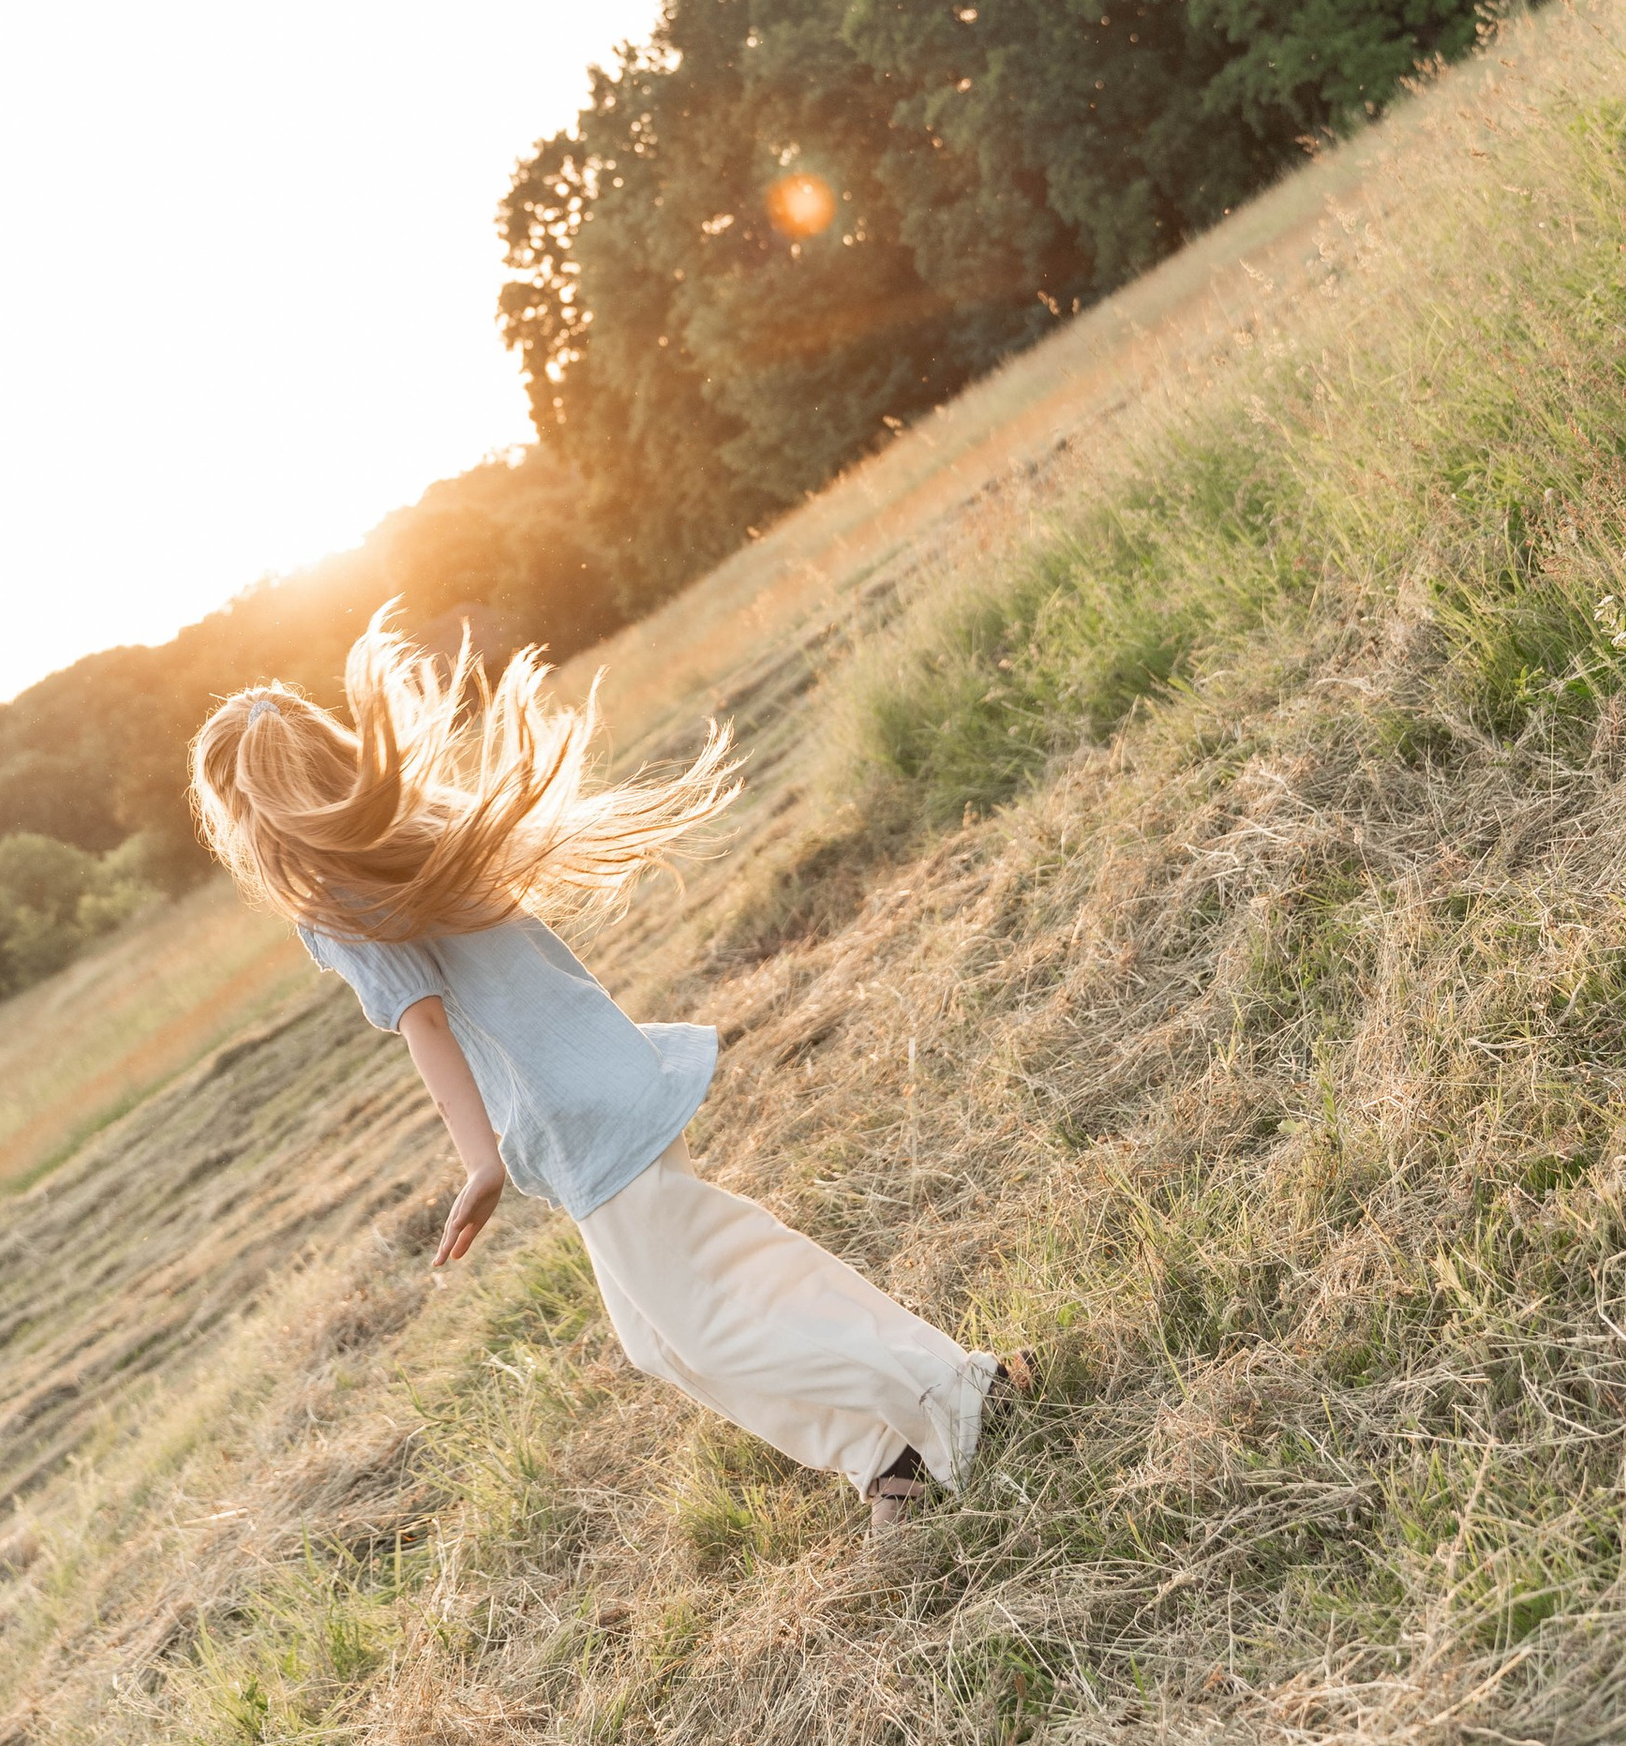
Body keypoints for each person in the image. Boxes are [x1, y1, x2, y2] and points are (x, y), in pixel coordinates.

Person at [189, 611, 1019, 1540]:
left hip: (575, 1115)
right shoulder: (414, 831)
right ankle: (889, 1449)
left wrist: (481, 1161)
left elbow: (424, 1023)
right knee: (659, 1339)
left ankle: (949, 1393)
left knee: (707, 1324)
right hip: (601, 1081)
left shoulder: (334, 898)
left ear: (246, 813)